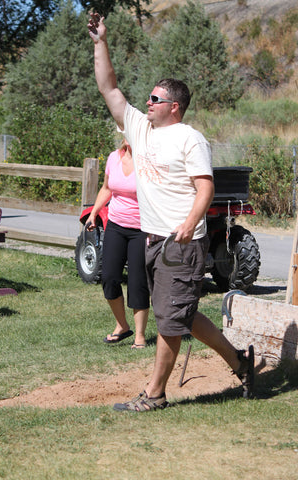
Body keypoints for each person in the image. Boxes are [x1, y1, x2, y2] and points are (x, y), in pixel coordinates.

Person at [87, 13, 255, 411]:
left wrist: (190, 222)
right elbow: (109, 88)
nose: (147, 102)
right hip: (152, 240)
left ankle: (155, 394)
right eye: (148, 97)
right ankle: (240, 363)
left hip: (181, 243)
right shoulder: (140, 130)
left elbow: (206, 187)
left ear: (174, 107)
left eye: (155, 99)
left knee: (169, 320)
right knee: (182, 314)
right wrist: (99, 42)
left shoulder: (189, 138)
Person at [86, 137, 150, 349]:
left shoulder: (148, 160)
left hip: (141, 229)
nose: (128, 134)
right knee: (109, 277)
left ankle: (140, 335)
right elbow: (106, 188)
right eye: (125, 130)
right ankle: (122, 325)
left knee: (137, 281)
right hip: (115, 225)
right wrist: (94, 213)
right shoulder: (113, 158)